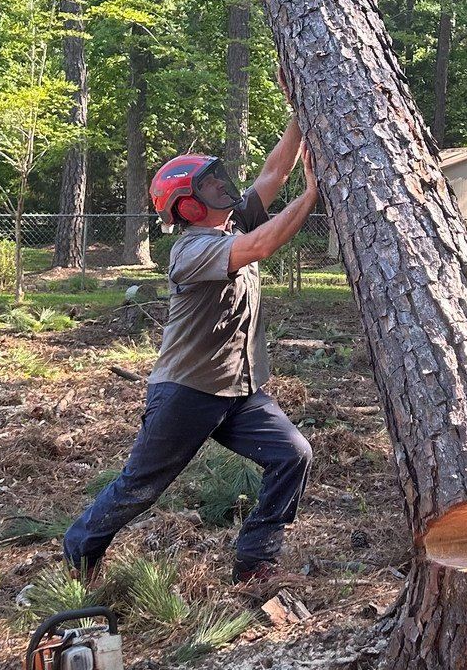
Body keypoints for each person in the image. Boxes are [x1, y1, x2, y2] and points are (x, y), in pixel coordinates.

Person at [63, 116, 319, 586]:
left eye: (219, 181)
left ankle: (254, 560)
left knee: (293, 455)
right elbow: (262, 245)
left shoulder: (227, 226)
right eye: (211, 186)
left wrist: (299, 115)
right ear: (187, 206)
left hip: (240, 388)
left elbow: (272, 174)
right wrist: (314, 194)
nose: (224, 189)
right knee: (141, 487)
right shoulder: (192, 250)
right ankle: (80, 549)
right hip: (187, 391)